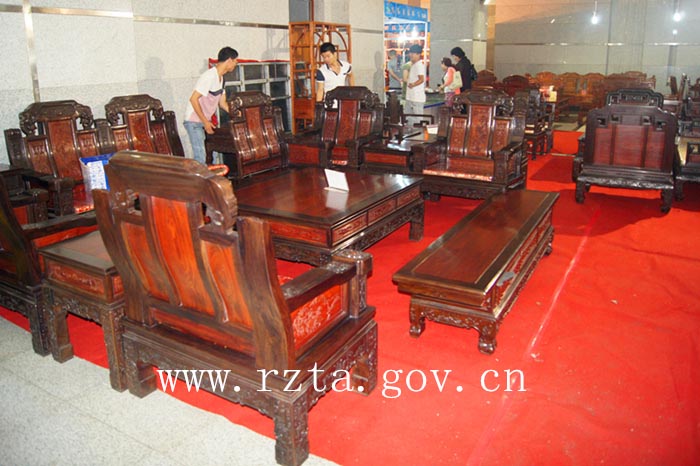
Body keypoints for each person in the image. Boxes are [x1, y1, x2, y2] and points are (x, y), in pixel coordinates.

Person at [184, 47, 238, 165]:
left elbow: (222, 104)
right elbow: (193, 99)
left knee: (212, 155)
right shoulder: (209, 76)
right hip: (194, 121)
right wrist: (205, 122)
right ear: (229, 60)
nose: (236, 64)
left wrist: (237, 114)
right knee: (201, 157)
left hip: (205, 121)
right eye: (235, 61)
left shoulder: (222, 79)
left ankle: (210, 177)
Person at [404, 44, 426, 127]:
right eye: (410, 53)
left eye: (412, 53)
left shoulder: (419, 65)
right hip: (411, 97)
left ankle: (418, 134)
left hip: (416, 98)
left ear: (418, 54)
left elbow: (421, 79)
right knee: (408, 119)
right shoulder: (414, 65)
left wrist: (413, 84)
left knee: (417, 121)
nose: (410, 55)